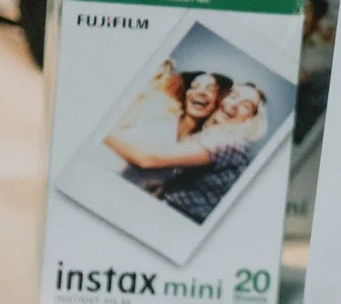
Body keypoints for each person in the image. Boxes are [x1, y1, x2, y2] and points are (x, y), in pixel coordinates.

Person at [104, 80, 270, 223]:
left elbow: (146, 159)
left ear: (251, 118)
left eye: (245, 105)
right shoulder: (214, 134)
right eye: (234, 96)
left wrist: (101, 130)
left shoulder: (232, 143)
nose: (233, 104)